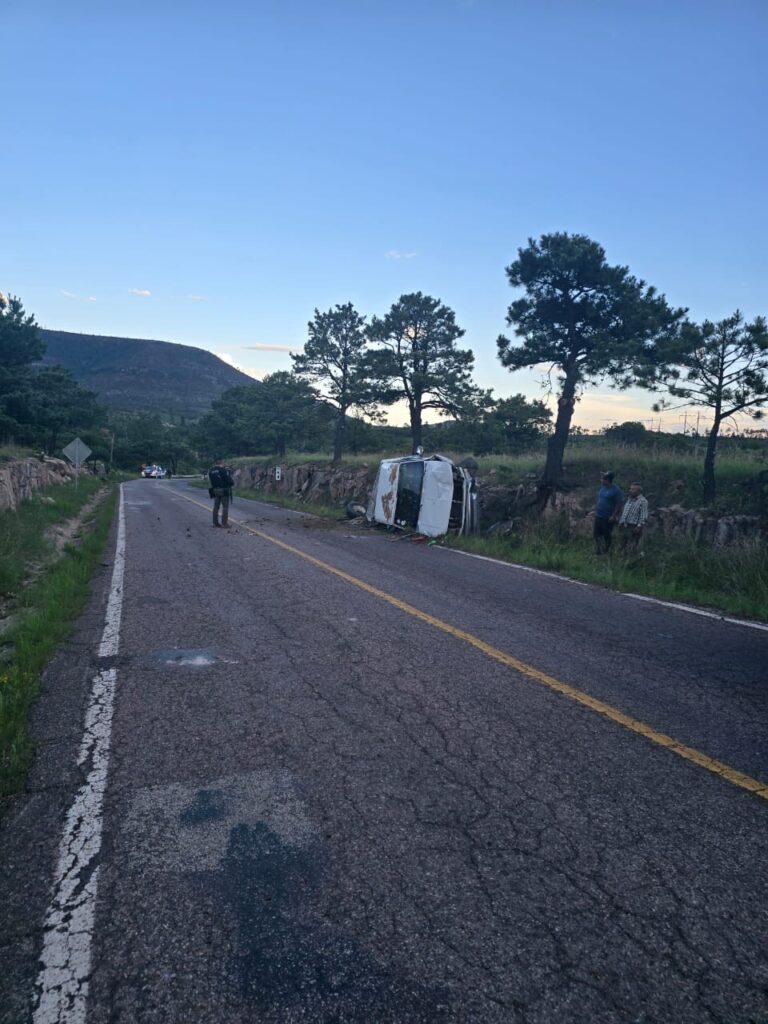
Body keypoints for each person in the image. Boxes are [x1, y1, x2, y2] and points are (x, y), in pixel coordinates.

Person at [593, 471, 623, 554]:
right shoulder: (603, 488)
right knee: (596, 534)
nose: (601, 481)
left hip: (608, 517)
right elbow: (599, 499)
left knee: (606, 534)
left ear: (607, 480)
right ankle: (599, 549)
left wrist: (613, 516)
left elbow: (618, 504)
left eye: (602, 479)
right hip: (599, 515)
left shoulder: (616, 490)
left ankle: (606, 550)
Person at [619, 483, 649, 556]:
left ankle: (633, 560)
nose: (630, 490)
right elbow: (625, 512)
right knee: (623, 544)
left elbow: (644, 515)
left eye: (633, 489)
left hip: (633, 526)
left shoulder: (643, 501)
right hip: (625, 525)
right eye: (630, 489)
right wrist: (621, 522)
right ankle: (622, 560)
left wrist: (639, 526)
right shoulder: (629, 500)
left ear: (638, 491)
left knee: (633, 545)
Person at [208, 457, 234, 528]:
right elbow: (229, 481)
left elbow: (211, 480)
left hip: (215, 490)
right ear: (221, 462)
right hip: (223, 490)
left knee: (216, 507)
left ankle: (215, 523)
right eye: (223, 461)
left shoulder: (211, 470)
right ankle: (224, 523)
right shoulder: (223, 470)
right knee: (225, 507)